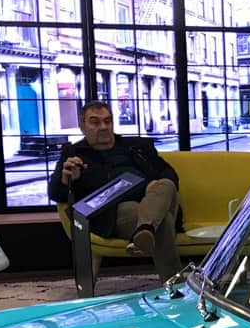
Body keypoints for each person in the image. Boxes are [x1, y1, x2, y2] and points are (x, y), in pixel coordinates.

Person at [48, 100, 183, 279]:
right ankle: (174, 286)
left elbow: (169, 172)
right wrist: (67, 180)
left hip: (152, 200)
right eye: (95, 122)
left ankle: (145, 228)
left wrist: (154, 184)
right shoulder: (73, 154)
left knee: (165, 184)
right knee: (163, 221)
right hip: (114, 213)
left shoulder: (136, 146)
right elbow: (56, 194)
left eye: (108, 121)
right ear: (82, 126)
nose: (103, 127)